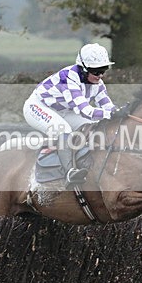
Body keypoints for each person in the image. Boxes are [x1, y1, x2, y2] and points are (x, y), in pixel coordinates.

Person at [23, 43, 117, 186]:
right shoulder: (68, 78)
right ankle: (69, 172)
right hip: (37, 106)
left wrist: (121, 111)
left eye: (104, 70)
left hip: (65, 111)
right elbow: (85, 111)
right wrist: (112, 113)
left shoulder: (99, 84)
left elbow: (108, 107)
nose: (101, 75)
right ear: (84, 69)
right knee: (63, 129)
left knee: (92, 126)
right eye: (96, 71)